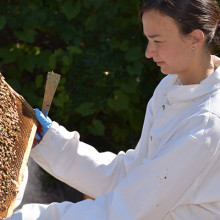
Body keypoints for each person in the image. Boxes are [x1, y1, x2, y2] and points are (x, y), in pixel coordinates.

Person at [6, 0, 220, 219]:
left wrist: (31, 217)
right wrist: (51, 142)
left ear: (195, 37)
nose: (148, 52)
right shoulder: (170, 86)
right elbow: (132, 176)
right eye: (148, 40)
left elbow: (128, 210)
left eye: (157, 41)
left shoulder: (206, 123)